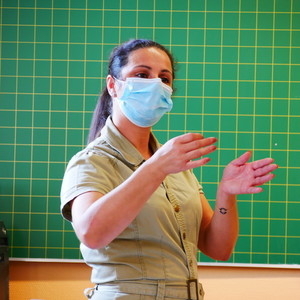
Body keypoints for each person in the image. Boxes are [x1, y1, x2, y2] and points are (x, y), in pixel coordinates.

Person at [60, 39, 278, 300]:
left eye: (165, 78)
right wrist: (157, 167)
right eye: (142, 75)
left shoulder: (175, 162)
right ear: (112, 86)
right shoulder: (92, 161)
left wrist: (226, 195)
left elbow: (218, 249)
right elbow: (90, 233)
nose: (155, 84)